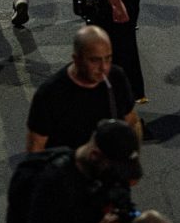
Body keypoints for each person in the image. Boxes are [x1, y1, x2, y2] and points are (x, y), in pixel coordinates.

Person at [26, 25, 140, 153]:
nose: (104, 67)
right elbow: (36, 147)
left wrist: (132, 158)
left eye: (108, 58)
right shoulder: (50, 93)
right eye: (94, 60)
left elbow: (132, 121)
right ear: (76, 59)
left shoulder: (116, 77)